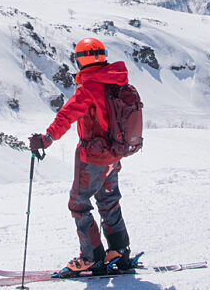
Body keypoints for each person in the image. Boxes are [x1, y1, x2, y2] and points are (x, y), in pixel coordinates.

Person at [29, 38, 133, 277]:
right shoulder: (115, 81)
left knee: (78, 203)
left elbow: (66, 116)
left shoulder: (90, 88)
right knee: (109, 201)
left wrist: (46, 139)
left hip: (93, 158)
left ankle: (91, 257)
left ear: (83, 59)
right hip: (113, 155)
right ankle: (119, 251)